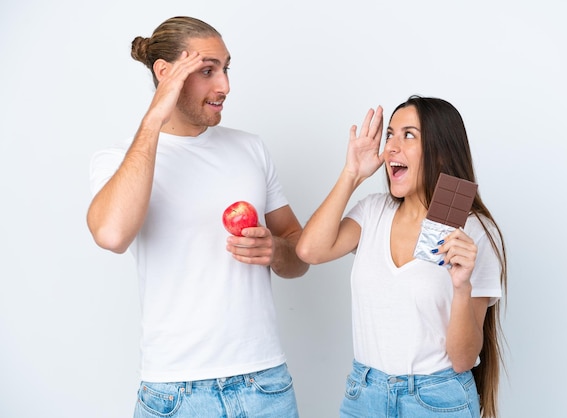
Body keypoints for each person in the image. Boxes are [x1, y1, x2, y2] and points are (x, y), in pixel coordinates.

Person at [87, 16, 309, 418]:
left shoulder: (251, 149)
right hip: (175, 393)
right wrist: (155, 117)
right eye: (207, 71)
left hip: (265, 384)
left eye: (225, 69)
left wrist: (276, 250)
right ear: (165, 73)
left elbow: (300, 255)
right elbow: (112, 234)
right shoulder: (120, 160)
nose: (224, 85)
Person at [296, 96, 507, 418]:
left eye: (408, 135)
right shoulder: (373, 211)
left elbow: (463, 360)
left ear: (441, 150)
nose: (391, 146)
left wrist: (463, 288)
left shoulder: (474, 231)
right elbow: (310, 251)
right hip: (364, 395)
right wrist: (352, 173)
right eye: (390, 134)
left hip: (436, 400)